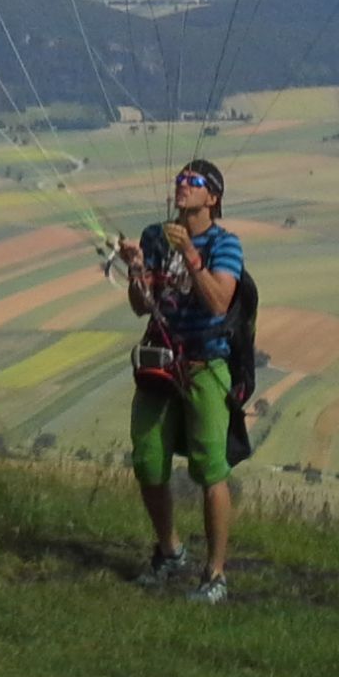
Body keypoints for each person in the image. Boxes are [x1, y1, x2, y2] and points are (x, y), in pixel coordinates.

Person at [116, 158, 244, 603]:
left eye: (193, 182)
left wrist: (191, 255)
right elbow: (141, 305)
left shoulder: (225, 244)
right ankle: (170, 551)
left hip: (205, 363)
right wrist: (135, 267)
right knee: (149, 459)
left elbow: (218, 302)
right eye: (180, 180)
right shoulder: (156, 236)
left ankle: (215, 574)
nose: (181, 186)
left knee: (210, 469)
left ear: (213, 198)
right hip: (159, 362)